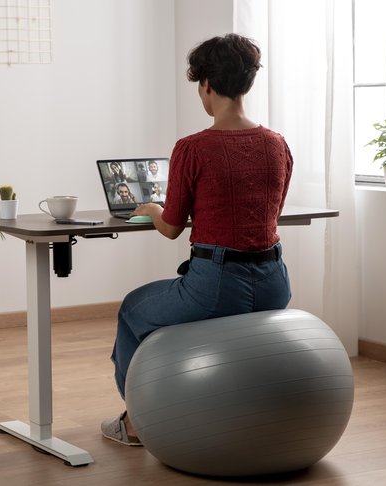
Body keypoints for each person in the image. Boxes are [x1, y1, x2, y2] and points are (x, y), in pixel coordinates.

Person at [100, 33, 294, 446]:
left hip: (216, 286)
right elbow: (269, 213)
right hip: (275, 282)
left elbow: (171, 228)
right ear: (247, 82)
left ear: (206, 84)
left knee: (134, 309)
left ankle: (135, 423)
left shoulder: (193, 148)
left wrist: (152, 209)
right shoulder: (277, 145)